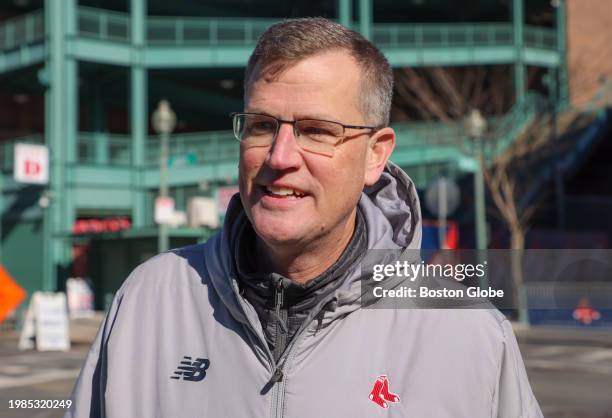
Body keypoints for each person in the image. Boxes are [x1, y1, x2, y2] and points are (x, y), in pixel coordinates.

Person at [66, 18, 543, 418]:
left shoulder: (470, 333)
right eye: (262, 126)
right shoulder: (148, 300)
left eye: (317, 130)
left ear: (376, 155)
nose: (281, 156)